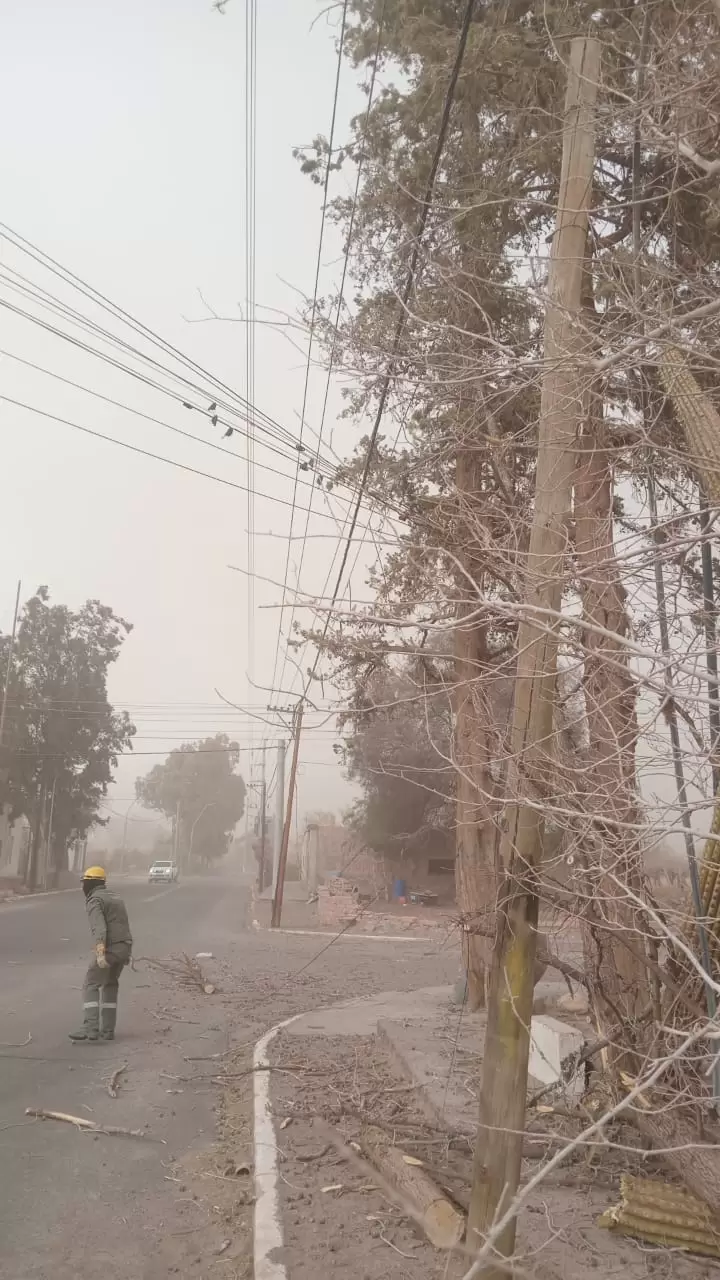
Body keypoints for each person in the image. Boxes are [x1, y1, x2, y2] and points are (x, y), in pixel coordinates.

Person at [69, 867, 133, 1043]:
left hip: (109, 950)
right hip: (124, 947)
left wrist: (100, 953)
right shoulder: (116, 897)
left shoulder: (95, 900)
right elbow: (124, 925)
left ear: (90, 883)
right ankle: (108, 1030)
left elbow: (100, 928)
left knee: (91, 984)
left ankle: (90, 1027)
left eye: (84, 883)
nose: (83, 887)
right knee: (110, 984)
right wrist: (127, 952)